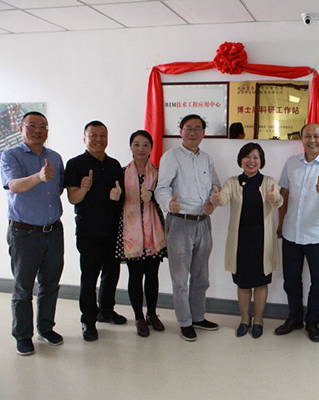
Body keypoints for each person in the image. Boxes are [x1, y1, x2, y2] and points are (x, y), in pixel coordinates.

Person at [0, 112, 65, 355]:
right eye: (32, 125)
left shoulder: (55, 157)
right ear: (21, 129)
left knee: (50, 284)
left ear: (47, 131)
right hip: (24, 233)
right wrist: (38, 177)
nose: (38, 130)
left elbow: (58, 190)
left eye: (43, 126)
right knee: (23, 287)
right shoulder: (11, 156)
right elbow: (14, 186)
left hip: (53, 231)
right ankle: (23, 335)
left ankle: (45, 328)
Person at [275, 122, 319, 342]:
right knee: (291, 281)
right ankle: (294, 318)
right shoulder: (291, 162)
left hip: (318, 235)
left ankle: (312, 322)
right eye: (307, 136)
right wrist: (280, 223)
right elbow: (284, 193)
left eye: (316, 136)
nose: (311, 140)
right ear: (302, 138)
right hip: (291, 232)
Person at [155, 114, 220, 341]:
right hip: (180, 222)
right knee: (180, 279)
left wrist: (213, 201)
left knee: (201, 277)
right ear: (180, 131)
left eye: (197, 128)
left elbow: (215, 186)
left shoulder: (207, 159)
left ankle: (198, 317)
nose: (193, 132)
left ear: (203, 133)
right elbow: (161, 188)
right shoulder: (171, 156)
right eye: (188, 128)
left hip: (203, 223)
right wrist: (168, 204)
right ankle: (184, 321)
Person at [211, 143, 283, 338]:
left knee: (260, 282)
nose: (251, 161)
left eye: (256, 157)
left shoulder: (268, 182)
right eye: (247, 157)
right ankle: (244, 319)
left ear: (261, 161)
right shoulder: (232, 182)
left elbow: (278, 202)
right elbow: (224, 199)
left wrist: (273, 197)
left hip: (262, 241)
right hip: (241, 242)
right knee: (243, 283)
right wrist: (217, 198)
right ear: (241, 160)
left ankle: (258, 319)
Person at [65, 120, 127, 342]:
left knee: (111, 273)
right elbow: (73, 198)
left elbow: (122, 196)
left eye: (103, 135)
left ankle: (106, 311)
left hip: (113, 230)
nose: (99, 139)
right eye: (93, 135)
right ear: (85, 138)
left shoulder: (114, 164)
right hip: (89, 232)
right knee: (89, 277)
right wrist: (83, 189)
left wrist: (118, 196)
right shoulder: (75, 164)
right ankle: (88, 320)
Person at [115, 130, 167, 337]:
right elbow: (117, 200)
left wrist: (152, 195)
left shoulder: (159, 173)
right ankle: (138, 317)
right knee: (135, 276)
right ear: (131, 147)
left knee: (152, 275)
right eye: (136, 144)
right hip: (131, 231)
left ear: (151, 148)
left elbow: (165, 196)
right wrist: (116, 196)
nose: (141, 149)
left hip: (154, 230)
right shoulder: (121, 172)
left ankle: (152, 314)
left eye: (145, 144)